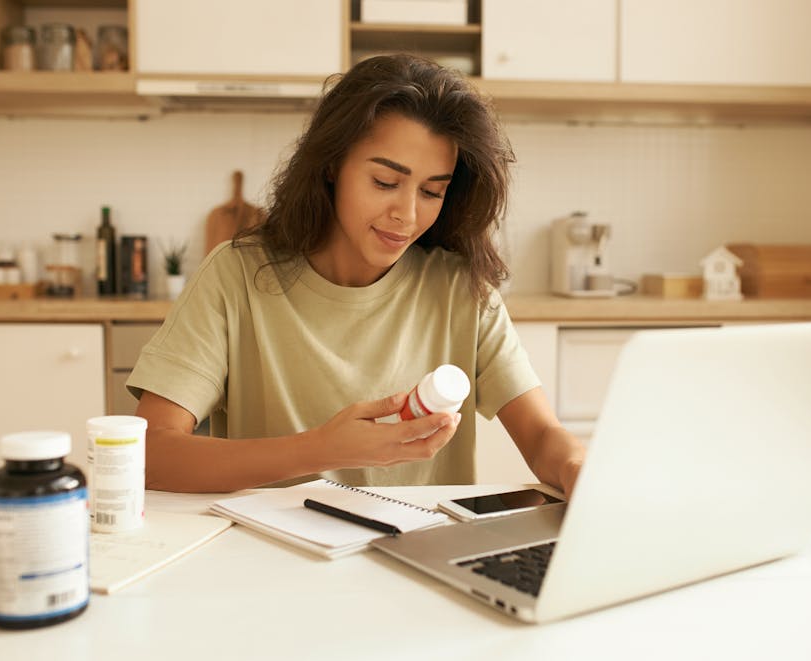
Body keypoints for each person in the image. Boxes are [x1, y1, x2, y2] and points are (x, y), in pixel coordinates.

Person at [127, 53, 585, 495]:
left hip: (421, 559)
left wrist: (578, 469)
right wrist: (317, 450)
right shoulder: (237, 274)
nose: (407, 215)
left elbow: (543, 436)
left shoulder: (459, 289)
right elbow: (148, 453)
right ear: (331, 164)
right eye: (385, 182)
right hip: (274, 563)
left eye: (431, 191)